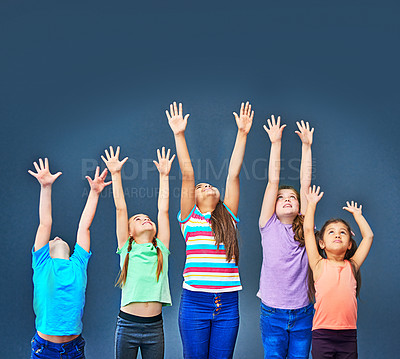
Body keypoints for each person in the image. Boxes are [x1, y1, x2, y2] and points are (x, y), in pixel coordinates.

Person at [166, 101, 253, 359]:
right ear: (192, 198)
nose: (207, 187)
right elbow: (187, 173)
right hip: (194, 302)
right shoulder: (188, 218)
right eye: (201, 187)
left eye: (210, 186)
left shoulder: (228, 216)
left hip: (227, 303)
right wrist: (179, 134)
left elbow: (233, 175)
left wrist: (242, 134)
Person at [29, 158, 110, 358]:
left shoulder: (78, 264)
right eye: (53, 239)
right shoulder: (42, 264)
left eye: (58, 238)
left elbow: (84, 226)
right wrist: (45, 187)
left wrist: (94, 192)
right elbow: (45, 223)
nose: (56, 237)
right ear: (45, 249)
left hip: (74, 349)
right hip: (44, 350)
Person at [101, 145, 174, 359]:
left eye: (147, 218)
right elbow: (121, 208)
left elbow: (163, 209)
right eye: (138, 219)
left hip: (154, 328)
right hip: (127, 325)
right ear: (130, 232)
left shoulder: (161, 248)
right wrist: (115, 174)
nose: (145, 219)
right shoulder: (127, 248)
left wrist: (164, 176)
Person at [258, 115, 315, 358]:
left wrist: (306, 146)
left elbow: (305, 184)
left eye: (291, 197)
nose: (287, 199)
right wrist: (275, 143)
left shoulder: (305, 225)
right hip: (272, 313)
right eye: (281, 198)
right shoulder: (267, 224)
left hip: (303, 312)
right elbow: (273, 181)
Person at [304, 185, 374, 359]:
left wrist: (358, 216)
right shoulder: (318, 264)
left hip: (348, 335)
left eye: (343, 233)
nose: (337, 235)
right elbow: (307, 231)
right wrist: (311, 204)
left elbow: (369, 237)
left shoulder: (352, 265)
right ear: (321, 243)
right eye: (331, 232)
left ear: (349, 244)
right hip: (322, 334)